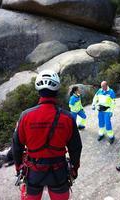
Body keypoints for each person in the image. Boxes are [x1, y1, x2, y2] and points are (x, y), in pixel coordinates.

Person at [12, 70, 82, 200]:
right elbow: (76, 147)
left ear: (38, 90)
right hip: (59, 171)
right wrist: (74, 168)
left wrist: (18, 167)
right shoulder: (67, 118)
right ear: (56, 90)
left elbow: (17, 146)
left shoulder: (25, 116)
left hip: (33, 172)